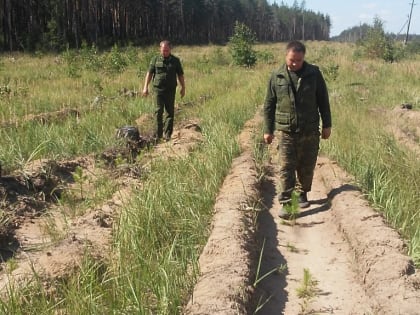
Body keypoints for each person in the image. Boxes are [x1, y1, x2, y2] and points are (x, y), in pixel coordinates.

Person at [263, 40, 332, 219]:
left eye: (299, 61)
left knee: (306, 166)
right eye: (292, 60)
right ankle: (287, 203)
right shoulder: (277, 75)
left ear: (304, 58)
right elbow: (269, 105)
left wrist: (327, 125)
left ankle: (302, 193)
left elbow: (323, 100)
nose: (295, 64)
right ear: (286, 56)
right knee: (286, 166)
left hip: (309, 129)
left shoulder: (314, 73)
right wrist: (268, 129)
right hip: (286, 131)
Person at [142, 40, 185, 141]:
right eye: (163, 50)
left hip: (170, 90)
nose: (165, 52)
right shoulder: (155, 59)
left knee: (170, 112)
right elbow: (149, 73)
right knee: (158, 111)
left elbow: (180, 75)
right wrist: (145, 87)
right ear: (160, 49)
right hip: (158, 90)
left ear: (170, 49)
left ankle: (167, 135)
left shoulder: (175, 60)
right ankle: (158, 135)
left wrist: (183, 87)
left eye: (166, 50)